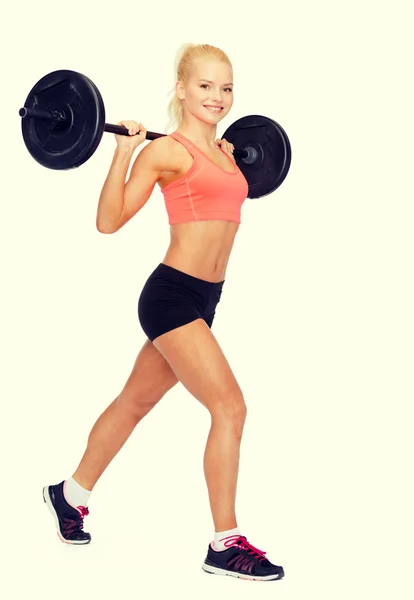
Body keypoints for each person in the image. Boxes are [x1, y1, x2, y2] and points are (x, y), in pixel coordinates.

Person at [43, 43, 284, 582]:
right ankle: (226, 543)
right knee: (230, 408)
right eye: (205, 86)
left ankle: (70, 493)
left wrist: (227, 153)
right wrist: (124, 152)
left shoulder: (226, 150)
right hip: (172, 296)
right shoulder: (167, 151)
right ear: (181, 89)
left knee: (135, 401)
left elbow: (241, 181)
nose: (217, 97)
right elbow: (109, 222)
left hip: (207, 299)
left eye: (225, 88)